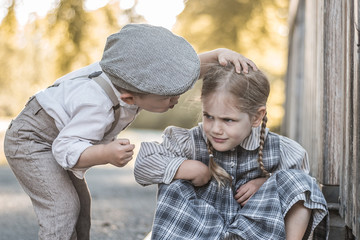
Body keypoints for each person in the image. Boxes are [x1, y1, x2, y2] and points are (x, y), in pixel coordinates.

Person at [3, 23, 257, 240]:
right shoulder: (96, 105)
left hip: (61, 137)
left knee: (81, 205)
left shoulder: (130, 73)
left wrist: (218, 56)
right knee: (62, 206)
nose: (176, 98)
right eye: (169, 97)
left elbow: (179, 72)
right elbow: (65, 149)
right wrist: (105, 153)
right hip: (32, 141)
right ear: (129, 97)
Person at [134, 63, 329, 240]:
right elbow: (143, 165)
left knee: (301, 183)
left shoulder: (282, 150)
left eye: (228, 120)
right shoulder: (189, 142)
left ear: (256, 117)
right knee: (174, 179)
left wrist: (268, 182)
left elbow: (300, 197)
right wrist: (190, 168)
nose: (216, 129)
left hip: (252, 233)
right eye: (209, 116)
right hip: (200, 231)